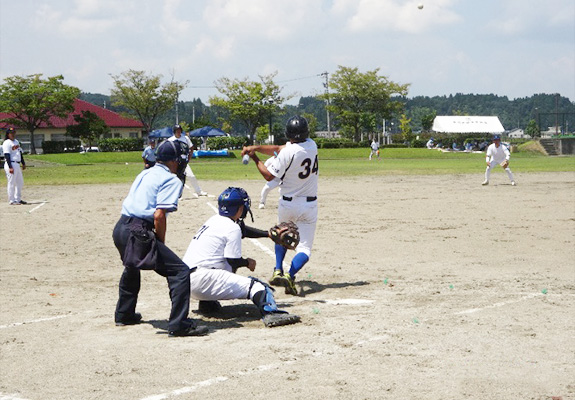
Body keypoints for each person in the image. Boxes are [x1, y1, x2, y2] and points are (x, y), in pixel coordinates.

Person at [113, 139, 208, 337]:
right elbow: (159, 215)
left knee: (132, 266)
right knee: (180, 272)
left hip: (121, 227)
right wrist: (159, 242)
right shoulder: (171, 180)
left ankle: (124, 314)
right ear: (174, 160)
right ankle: (179, 324)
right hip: (138, 231)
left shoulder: (145, 172)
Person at [182, 187, 301, 327]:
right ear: (239, 209)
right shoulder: (232, 228)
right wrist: (247, 262)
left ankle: (207, 303)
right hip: (204, 280)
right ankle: (271, 314)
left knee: (220, 263)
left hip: (186, 283)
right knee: (258, 287)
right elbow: (233, 260)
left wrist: (267, 234)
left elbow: (243, 231)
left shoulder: (214, 220)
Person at [241, 116, 318, 296]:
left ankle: (277, 269)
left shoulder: (287, 153)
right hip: (309, 205)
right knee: (304, 249)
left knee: (281, 234)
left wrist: (255, 157)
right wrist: (256, 147)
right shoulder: (312, 145)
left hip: (288, 203)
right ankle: (290, 275)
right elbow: (278, 149)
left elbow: (269, 175)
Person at [168, 124, 207, 197]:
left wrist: (188, 158)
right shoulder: (170, 140)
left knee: (191, 176)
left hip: (184, 161)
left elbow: (191, 148)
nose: (178, 132)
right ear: (174, 131)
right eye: (177, 131)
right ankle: (174, 194)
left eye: (179, 130)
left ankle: (198, 191)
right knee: (175, 178)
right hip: (174, 162)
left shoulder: (185, 138)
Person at [3, 127, 27, 205]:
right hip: (11, 163)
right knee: (11, 183)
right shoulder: (7, 142)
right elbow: (7, 155)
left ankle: (18, 199)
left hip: (17, 164)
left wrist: (23, 163)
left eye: (14, 133)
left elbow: (19, 153)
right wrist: (10, 167)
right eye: (11, 133)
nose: (13, 134)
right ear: (8, 134)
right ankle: (12, 200)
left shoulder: (16, 142)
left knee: (20, 182)